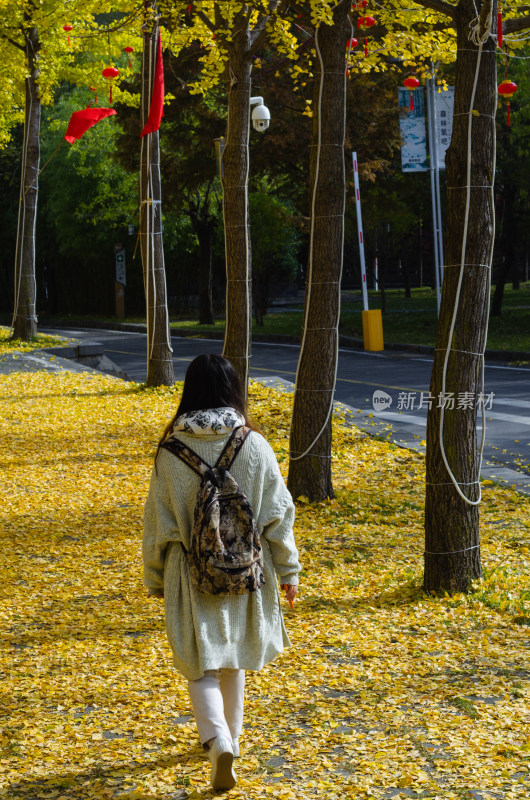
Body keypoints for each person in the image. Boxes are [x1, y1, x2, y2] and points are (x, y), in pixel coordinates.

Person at [143, 354, 300, 792]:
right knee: (233, 655)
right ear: (233, 390)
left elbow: (158, 522)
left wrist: (155, 577)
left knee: (200, 662)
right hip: (247, 568)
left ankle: (217, 740)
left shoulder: (170, 451)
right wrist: (289, 571)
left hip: (189, 570)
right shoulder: (254, 444)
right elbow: (278, 514)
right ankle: (233, 737)